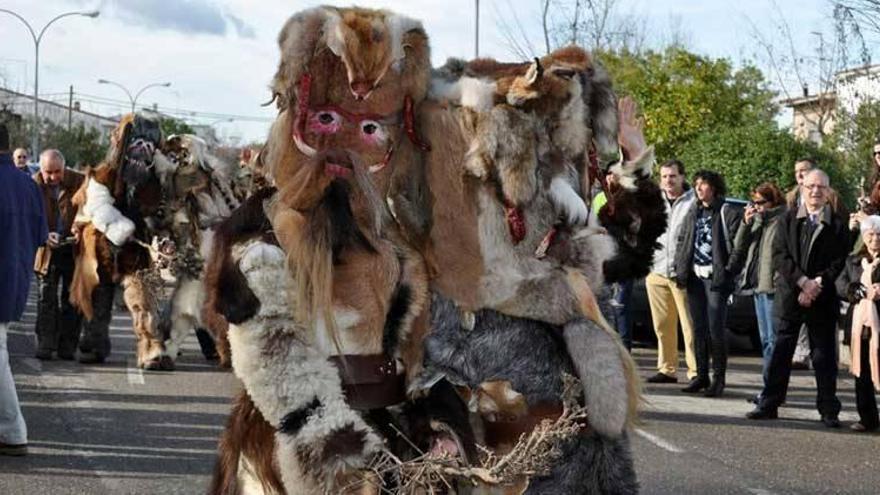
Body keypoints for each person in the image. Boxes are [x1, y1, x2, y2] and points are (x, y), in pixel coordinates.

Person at [747, 169, 850, 427]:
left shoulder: (837, 225)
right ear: (802, 187)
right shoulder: (788, 218)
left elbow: (838, 261)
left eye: (821, 187)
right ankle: (769, 404)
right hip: (790, 295)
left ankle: (828, 409)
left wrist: (817, 284)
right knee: (781, 352)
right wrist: (802, 282)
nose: (816, 191)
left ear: (828, 192)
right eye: (811, 186)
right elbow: (780, 255)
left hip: (821, 299)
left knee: (823, 357)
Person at [0, 124, 48, 456]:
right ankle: (12, 431)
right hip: (15, 283)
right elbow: (41, 236)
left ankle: (13, 431)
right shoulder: (27, 185)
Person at [674, 170, 741, 397]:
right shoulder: (694, 211)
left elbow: (737, 245)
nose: (699, 189)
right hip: (695, 277)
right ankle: (701, 376)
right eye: (696, 185)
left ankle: (718, 379)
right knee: (698, 329)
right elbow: (683, 239)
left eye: (703, 185)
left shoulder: (726, 211)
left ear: (714, 187)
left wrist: (728, 271)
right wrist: (679, 266)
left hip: (715, 279)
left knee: (716, 330)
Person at [730, 182, 786, 403]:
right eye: (754, 202)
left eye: (761, 202)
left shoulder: (780, 221)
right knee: (765, 341)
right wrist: (747, 223)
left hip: (771, 287)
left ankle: (772, 392)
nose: (757, 206)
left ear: (773, 202)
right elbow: (739, 246)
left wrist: (777, 278)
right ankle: (768, 389)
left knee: (773, 340)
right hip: (756, 286)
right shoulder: (759, 222)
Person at [644, 159, 698, 384]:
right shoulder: (654, 201)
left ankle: (696, 371)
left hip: (682, 272)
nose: (668, 180)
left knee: (689, 326)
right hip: (656, 269)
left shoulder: (693, 202)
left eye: (673, 176)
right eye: (664, 176)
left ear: (682, 177)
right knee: (662, 325)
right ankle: (667, 369)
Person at [32, 149, 85, 360]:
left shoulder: (81, 182)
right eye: (48, 172)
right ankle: (46, 342)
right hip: (45, 250)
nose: (53, 177)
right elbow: (30, 215)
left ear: (65, 168)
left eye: (57, 172)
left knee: (72, 299)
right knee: (46, 297)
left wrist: (79, 226)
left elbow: (91, 209)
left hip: (73, 250)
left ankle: (68, 345)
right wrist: (44, 233)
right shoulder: (33, 185)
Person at [835, 215, 880, 433]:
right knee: (861, 373)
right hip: (859, 326)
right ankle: (867, 418)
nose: (874, 239)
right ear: (863, 236)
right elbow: (840, 283)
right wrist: (854, 290)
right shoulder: (853, 260)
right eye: (870, 234)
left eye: (879, 234)